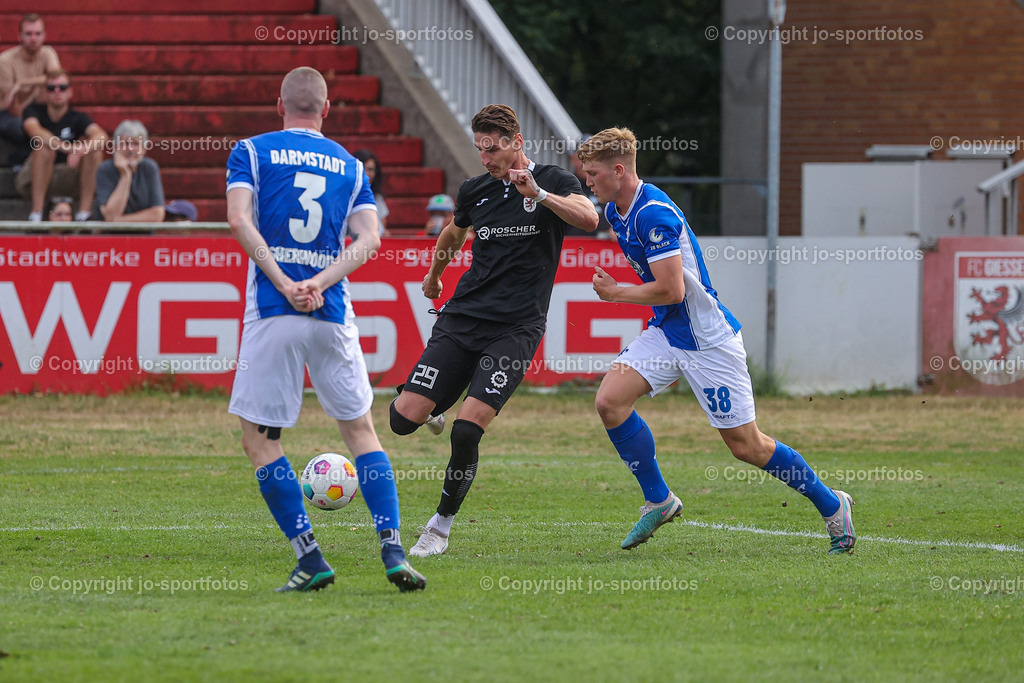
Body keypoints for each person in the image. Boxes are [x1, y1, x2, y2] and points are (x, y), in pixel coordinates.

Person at [577, 127, 855, 554]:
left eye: (593, 173)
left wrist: (616, 294)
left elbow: (673, 290)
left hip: (707, 340)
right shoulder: (616, 211)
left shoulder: (653, 214)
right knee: (610, 401)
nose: (587, 182)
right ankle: (659, 500)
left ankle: (833, 506)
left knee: (747, 446)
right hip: (667, 332)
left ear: (618, 170)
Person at [225, 66, 426, 592]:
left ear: (280, 106)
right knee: (360, 432)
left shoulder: (251, 151)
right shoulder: (352, 166)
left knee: (259, 440)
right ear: (327, 110)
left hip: (275, 311)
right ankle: (394, 551)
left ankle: (310, 557)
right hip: (332, 313)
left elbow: (240, 220)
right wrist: (319, 281)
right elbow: (370, 239)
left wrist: (286, 281)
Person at [389, 104, 598, 557]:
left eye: (493, 149)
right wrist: (434, 275)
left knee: (467, 431)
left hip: (517, 328)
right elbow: (452, 234)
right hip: (464, 317)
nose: (485, 159)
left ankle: (439, 528)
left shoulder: (553, 180)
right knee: (401, 420)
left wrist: (540, 194)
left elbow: (589, 218)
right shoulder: (475, 190)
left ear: (517, 143)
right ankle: (431, 407)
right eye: (480, 150)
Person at [18, 69, 105, 222]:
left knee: (94, 151)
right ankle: (36, 214)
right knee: (44, 147)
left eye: (62, 87)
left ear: (70, 92)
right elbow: (34, 130)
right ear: (45, 92)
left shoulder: (78, 117)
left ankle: (84, 214)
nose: (57, 92)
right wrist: (68, 148)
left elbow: (101, 135)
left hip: (68, 176)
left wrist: (82, 149)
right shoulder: (33, 111)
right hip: (33, 178)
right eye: (51, 88)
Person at [0, 14, 61, 166]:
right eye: (28, 34)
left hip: (34, 110)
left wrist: (21, 83)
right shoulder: (5, 61)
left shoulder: (47, 53)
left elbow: (57, 78)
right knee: (22, 127)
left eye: (37, 34)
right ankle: (20, 162)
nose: (33, 39)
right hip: (9, 113)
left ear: (44, 35)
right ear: (20, 36)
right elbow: (13, 108)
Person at [92, 120, 165, 222]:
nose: (130, 149)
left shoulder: (150, 168)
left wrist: (119, 221)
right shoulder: (105, 169)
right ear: (115, 147)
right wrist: (125, 175)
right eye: (126, 143)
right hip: (111, 232)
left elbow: (157, 215)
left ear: (144, 149)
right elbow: (110, 215)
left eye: (136, 144)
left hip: (143, 232)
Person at [353, 149, 389, 236]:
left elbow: (383, 225)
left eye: (370, 169)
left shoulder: (377, 197)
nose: (367, 174)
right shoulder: (346, 196)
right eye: (363, 169)